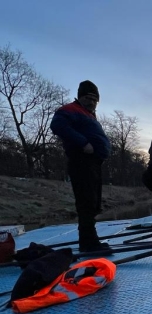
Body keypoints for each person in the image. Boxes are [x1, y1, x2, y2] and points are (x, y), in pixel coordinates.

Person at [50, 80, 111, 253]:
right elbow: (57, 126)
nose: (92, 102)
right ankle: (88, 244)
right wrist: (83, 142)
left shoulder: (88, 114)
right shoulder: (70, 110)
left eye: (95, 99)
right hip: (81, 161)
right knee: (86, 202)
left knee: (93, 203)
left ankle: (91, 240)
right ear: (80, 96)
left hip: (93, 163)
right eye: (88, 97)